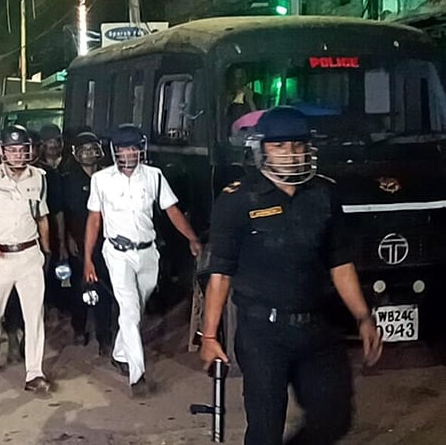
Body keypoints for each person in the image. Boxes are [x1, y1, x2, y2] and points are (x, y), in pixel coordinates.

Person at [199, 107, 383, 445]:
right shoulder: (237, 201)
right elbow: (220, 273)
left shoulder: (324, 194)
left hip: (318, 329)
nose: (291, 154)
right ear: (262, 150)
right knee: (266, 430)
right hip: (262, 334)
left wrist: (363, 317)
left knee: (334, 419)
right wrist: (209, 336)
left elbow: (340, 263)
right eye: (280, 146)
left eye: (298, 145)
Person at [84, 124, 202, 397]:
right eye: (123, 147)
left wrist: (192, 238)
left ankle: (119, 352)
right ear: (114, 150)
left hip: (148, 253)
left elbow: (172, 210)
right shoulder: (101, 180)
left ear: (141, 149)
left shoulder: (154, 176)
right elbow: (94, 219)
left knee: (138, 305)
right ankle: (137, 375)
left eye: (133, 147)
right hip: (116, 253)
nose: (128, 152)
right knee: (130, 309)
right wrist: (89, 258)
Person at [0, 124, 52, 393]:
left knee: (35, 315)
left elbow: (42, 217)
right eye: (12, 150)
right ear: (2, 151)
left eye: (22, 149)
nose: (18, 155)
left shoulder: (38, 177)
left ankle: (34, 372)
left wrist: (46, 250)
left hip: (29, 254)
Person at [58, 131, 115, 353]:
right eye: (85, 150)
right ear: (76, 153)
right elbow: (62, 212)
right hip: (78, 240)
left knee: (104, 289)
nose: (90, 154)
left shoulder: (108, 176)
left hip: (105, 241)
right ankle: (79, 328)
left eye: (93, 149)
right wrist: (66, 240)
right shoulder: (68, 179)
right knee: (79, 288)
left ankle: (104, 337)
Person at [35, 124, 66, 315]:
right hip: (42, 228)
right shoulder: (38, 170)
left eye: (56, 141)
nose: (53, 145)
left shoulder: (69, 164)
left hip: (64, 226)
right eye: (48, 141)